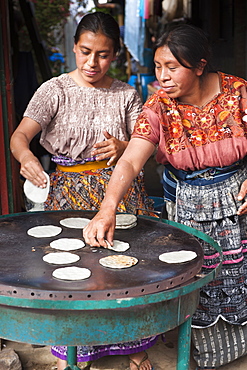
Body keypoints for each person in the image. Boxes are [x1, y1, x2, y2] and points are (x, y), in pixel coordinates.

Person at [83, 23, 247, 370]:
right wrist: (106, 209)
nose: (162, 76)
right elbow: (130, 158)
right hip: (190, 205)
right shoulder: (159, 106)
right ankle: (203, 356)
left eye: (172, 67)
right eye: (158, 67)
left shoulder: (238, 93)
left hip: (239, 204)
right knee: (198, 280)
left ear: (199, 66)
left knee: (242, 275)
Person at [10, 11, 156, 370]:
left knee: (125, 270)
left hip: (120, 194)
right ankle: (72, 350)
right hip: (67, 196)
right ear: (74, 47)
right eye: (86, 51)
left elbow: (145, 145)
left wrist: (123, 147)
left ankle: (132, 345)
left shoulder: (125, 95)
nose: (93, 62)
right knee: (74, 271)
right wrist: (26, 157)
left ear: (116, 55)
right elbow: (19, 137)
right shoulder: (54, 90)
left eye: (103, 55)